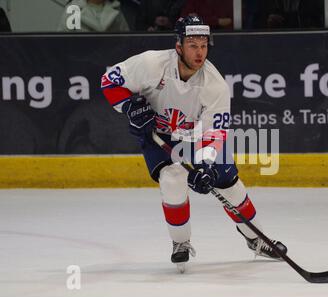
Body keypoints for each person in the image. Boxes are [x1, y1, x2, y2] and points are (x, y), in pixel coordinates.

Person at [101, 15, 287, 271]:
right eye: (193, 45)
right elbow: (109, 82)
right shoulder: (151, 64)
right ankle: (180, 243)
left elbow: (214, 132)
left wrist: (206, 166)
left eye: (203, 45)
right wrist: (130, 106)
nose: (200, 53)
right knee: (172, 178)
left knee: (229, 186)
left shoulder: (215, 84)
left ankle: (256, 238)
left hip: (196, 136)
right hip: (159, 135)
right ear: (179, 46)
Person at [57, 0, 129, 32]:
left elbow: (125, 39)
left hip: (111, 58)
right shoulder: (74, 9)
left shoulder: (116, 7)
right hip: (80, 58)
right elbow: (63, 41)